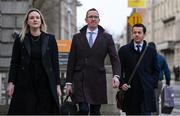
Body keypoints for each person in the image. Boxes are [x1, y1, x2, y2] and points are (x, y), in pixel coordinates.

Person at [65, 8, 121, 115]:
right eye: (90, 17)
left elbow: (115, 58)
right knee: (83, 109)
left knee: (95, 111)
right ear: (86, 20)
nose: (93, 19)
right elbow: (71, 60)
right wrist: (68, 83)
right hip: (80, 79)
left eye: (95, 17)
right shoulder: (77, 37)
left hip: (97, 79)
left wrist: (116, 76)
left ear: (99, 20)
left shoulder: (107, 38)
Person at [6, 8, 61, 114]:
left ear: (41, 21)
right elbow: (14, 62)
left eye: (37, 17)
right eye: (31, 18)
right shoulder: (20, 39)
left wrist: (57, 85)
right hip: (25, 82)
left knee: (44, 111)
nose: (35, 20)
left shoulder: (50, 39)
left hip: (45, 82)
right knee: (27, 110)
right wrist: (11, 82)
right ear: (27, 21)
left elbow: (55, 63)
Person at [118, 23, 160, 115]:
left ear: (144, 34)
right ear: (132, 34)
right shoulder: (123, 50)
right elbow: (118, 70)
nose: (136, 34)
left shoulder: (151, 51)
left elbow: (156, 70)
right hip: (130, 93)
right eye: (134, 32)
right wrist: (122, 83)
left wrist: (151, 84)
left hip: (146, 93)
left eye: (139, 32)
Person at [148, 42, 171, 115]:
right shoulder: (161, 58)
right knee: (156, 100)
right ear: (155, 48)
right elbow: (167, 71)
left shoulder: (146, 58)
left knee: (147, 99)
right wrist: (168, 82)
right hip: (158, 81)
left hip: (147, 81)